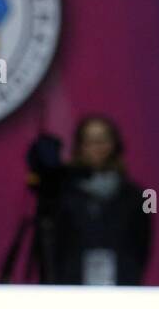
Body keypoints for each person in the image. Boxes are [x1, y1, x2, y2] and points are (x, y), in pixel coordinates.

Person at [27, 115, 151, 285]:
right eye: (90, 141)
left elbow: (142, 245)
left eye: (103, 140)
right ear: (80, 146)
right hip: (71, 286)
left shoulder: (138, 195)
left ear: (115, 144)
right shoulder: (62, 192)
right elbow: (52, 245)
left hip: (121, 286)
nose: (97, 147)